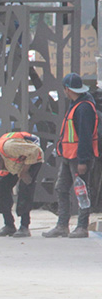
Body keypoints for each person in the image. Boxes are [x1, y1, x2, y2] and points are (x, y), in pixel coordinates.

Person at [43, 73, 98, 238]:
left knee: (82, 192)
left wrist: (83, 161)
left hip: (78, 158)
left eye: (65, 89)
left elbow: (85, 136)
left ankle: (82, 227)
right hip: (68, 156)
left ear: (67, 89)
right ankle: (62, 225)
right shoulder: (76, 104)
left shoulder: (84, 108)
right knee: (61, 188)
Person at [0, 132, 44, 238]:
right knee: (0, 187)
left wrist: (25, 171)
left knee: (25, 187)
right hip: (15, 162)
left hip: (32, 158)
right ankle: (9, 225)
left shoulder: (10, 147)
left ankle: (24, 226)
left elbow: (35, 150)